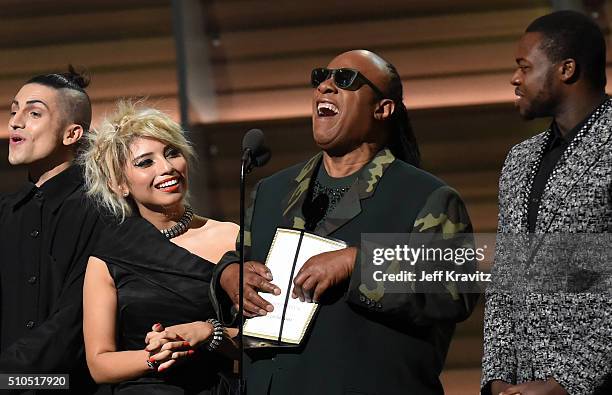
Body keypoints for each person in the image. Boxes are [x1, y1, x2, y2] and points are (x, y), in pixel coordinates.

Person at [211, 49, 478, 394]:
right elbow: (242, 257)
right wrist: (230, 275)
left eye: (345, 80)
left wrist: (358, 261)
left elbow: (455, 286)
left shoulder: (426, 196)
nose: (325, 86)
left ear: (382, 109)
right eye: (320, 77)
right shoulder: (271, 190)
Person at [481, 11, 612, 395]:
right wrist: (497, 377)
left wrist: (569, 383)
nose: (515, 78)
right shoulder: (519, 159)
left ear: (566, 69)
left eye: (524, 67)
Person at [79, 101, 238, 394]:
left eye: (172, 153)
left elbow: (265, 337)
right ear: (118, 184)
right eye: (145, 162)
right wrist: (160, 354)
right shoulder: (106, 258)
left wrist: (207, 332)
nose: (167, 168)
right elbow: (99, 364)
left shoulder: (231, 236)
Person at [0, 67, 101, 393]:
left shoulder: (102, 210)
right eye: (14, 110)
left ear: (71, 134)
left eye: (33, 113)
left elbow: (73, 322)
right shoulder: (5, 213)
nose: (15, 121)